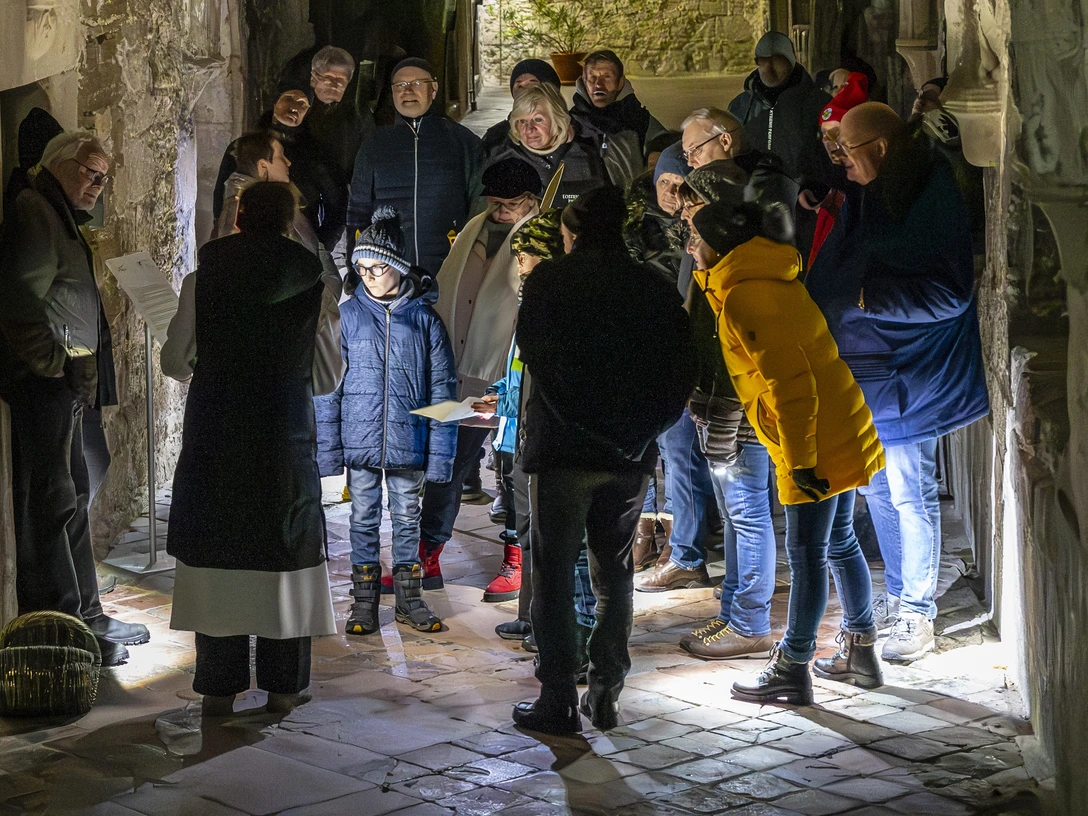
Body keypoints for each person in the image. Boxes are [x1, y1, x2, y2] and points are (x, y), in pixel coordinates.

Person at [806, 102, 988, 662]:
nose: (842, 161)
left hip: (913, 376)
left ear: (881, 149)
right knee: (878, 488)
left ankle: (918, 613)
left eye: (849, 150)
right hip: (874, 373)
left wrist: (864, 298)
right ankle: (896, 596)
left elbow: (948, 294)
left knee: (911, 492)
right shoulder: (878, 189)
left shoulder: (927, 194)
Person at [686, 194, 885, 705]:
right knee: (839, 542)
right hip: (836, 427)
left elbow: (794, 389)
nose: (690, 245)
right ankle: (861, 652)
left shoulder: (748, 298)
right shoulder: (766, 281)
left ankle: (793, 667)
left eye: (696, 237)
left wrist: (801, 465)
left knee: (807, 554)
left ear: (719, 245)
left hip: (813, 440)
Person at [511, 187, 696, 735]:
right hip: (629, 455)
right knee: (613, 570)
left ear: (570, 236)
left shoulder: (549, 283)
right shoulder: (653, 288)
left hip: (564, 453)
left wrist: (577, 423)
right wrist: (641, 432)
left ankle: (558, 695)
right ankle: (608, 687)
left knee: (552, 572)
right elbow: (681, 371)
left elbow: (540, 362)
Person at [163, 182, 341, 717]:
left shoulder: (203, 279)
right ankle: (285, 686)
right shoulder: (314, 283)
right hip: (280, 436)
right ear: (290, 225)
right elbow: (328, 377)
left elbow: (175, 362)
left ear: (238, 220)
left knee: (217, 552)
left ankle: (219, 685)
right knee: (281, 552)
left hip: (217, 434)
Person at [0, 131, 149, 667]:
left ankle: (87, 612)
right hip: (45, 389)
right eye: (90, 172)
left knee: (74, 498)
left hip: (64, 388)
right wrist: (56, 366)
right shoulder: (36, 211)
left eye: (103, 177)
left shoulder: (57, 211)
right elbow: (20, 299)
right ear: (58, 165)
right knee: (53, 506)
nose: (97, 185)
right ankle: (62, 628)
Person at [406, 158, 542, 598]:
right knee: (446, 467)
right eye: (495, 202)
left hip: (513, 372)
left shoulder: (541, 237)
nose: (501, 211)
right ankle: (426, 558)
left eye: (510, 204)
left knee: (516, 472)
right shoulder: (473, 229)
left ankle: (517, 561)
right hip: (461, 368)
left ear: (532, 200)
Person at [321, 206, 456, 635]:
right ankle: (363, 603)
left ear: (398, 267)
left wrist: (440, 457)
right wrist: (327, 451)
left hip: (408, 441)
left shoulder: (425, 322)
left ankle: (409, 599)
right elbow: (328, 388)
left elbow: (443, 394)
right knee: (361, 517)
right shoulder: (347, 318)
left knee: (406, 517)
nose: (368, 275)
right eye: (360, 267)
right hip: (360, 440)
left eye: (377, 266)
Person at [347, 57, 484, 277]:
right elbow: (358, 210)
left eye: (417, 83)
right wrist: (356, 270)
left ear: (434, 89)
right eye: (399, 85)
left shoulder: (462, 141)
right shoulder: (374, 144)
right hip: (388, 274)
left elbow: (480, 202)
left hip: (450, 267)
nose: (407, 90)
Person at [727, 31, 831, 255]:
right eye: (762, 61)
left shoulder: (818, 104)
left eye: (777, 61)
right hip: (752, 205)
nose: (768, 69)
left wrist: (815, 185)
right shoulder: (740, 106)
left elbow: (830, 154)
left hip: (800, 207)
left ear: (791, 61)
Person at [213, 88, 346, 249]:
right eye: (289, 98)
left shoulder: (316, 154)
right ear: (275, 102)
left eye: (302, 103)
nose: (294, 107)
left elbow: (337, 202)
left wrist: (321, 245)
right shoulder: (241, 148)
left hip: (300, 244)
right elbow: (222, 196)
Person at [484, 84, 609, 207]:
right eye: (522, 121)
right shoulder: (502, 159)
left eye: (538, 119)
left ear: (557, 118)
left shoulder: (586, 156)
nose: (529, 129)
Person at [798, 72, 869, 267]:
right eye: (823, 133)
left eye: (834, 133)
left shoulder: (869, 176)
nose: (827, 142)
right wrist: (807, 192)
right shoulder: (817, 156)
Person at [570, 50, 668, 188]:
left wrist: (656, 154)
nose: (598, 84)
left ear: (620, 83)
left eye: (607, 77)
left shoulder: (639, 120)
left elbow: (665, 142)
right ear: (584, 82)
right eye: (592, 78)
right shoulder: (570, 122)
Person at [306, 46, 370, 186]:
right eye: (328, 78)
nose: (334, 86)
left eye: (341, 81)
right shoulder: (301, 110)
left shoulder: (355, 117)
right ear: (313, 79)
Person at [481, 59, 563, 155]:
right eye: (519, 86)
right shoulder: (496, 137)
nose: (525, 90)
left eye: (532, 84)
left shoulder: (574, 138)